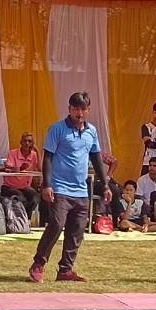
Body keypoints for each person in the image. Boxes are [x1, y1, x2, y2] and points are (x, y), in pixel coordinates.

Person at [28, 91, 112, 283]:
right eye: (75, 109)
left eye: (83, 109)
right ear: (69, 109)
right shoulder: (57, 129)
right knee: (56, 224)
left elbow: (96, 158)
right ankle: (38, 264)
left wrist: (105, 185)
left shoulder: (92, 131)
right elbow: (48, 157)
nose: (79, 113)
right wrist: (47, 185)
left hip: (81, 190)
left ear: (88, 110)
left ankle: (66, 269)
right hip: (60, 188)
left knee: (77, 230)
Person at [2, 131, 42, 220]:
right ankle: (20, 220)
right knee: (21, 198)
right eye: (25, 141)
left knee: (36, 198)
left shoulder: (34, 155)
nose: (27, 143)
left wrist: (37, 151)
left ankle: (26, 219)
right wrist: (20, 168)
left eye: (29, 141)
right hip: (9, 186)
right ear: (21, 142)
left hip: (25, 187)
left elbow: (40, 169)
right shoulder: (13, 153)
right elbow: (8, 168)